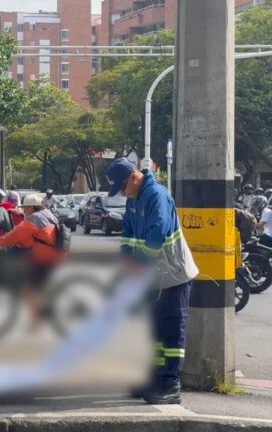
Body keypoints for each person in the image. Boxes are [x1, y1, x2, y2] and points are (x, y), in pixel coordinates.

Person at [106, 158, 199, 405]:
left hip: (173, 274)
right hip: (153, 276)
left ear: (133, 176)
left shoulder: (157, 195)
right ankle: (154, 379)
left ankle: (170, 384)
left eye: (122, 188)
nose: (123, 194)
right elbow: (127, 232)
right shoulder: (134, 200)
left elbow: (157, 234)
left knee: (172, 330)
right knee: (153, 330)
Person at [0, 194, 64, 329]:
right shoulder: (46, 214)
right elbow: (38, 235)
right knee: (36, 286)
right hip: (51, 253)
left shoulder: (32, 220)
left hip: (42, 256)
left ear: (31, 207)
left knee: (26, 287)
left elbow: (13, 235)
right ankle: (43, 309)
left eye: (25, 208)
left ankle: (39, 315)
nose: (23, 210)